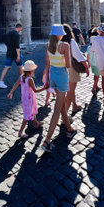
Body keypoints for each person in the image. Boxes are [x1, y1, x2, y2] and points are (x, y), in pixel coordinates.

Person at [41, 24, 77, 153]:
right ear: (60, 34)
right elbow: (67, 64)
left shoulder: (48, 45)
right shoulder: (64, 45)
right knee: (57, 108)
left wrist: (48, 78)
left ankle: (69, 128)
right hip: (61, 75)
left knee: (61, 105)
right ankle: (47, 140)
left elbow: (47, 63)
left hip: (53, 75)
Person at [7, 60, 46, 138]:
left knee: (32, 111)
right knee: (27, 116)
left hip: (25, 98)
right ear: (31, 71)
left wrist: (11, 92)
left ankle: (35, 123)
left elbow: (16, 84)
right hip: (29, 99)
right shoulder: (30, 79)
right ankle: (20, 132)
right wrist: (44, 88)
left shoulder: (21, 77)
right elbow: (35, 90)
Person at [62, 23, 89, 114]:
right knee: (69, 93)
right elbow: (78, 56)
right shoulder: (71, 42)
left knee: (71, 90)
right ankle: (64, 117)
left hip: (61, 68)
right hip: (71, 68)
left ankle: (74, 105)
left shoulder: (58, 43)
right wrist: (86, 67)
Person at [0, 23, 23, 88]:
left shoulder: (8, 34)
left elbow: (6, 42)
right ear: (19, 28)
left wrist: (10, 47)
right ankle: (22, 81)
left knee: (6, 67)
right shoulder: (17, 35)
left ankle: (0, 81)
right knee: (20, 67)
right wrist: (18, 56)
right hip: (15, 53)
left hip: (9, 52)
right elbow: (17, 46)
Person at [87, 28, 100, 95]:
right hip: (97, 63)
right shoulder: (97, 48)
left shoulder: (89, 47)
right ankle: (93, 87)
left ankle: (96, 85)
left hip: (92, 63)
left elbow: (88, 56)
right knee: (97, 76)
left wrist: (88, 63)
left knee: (95, 74)